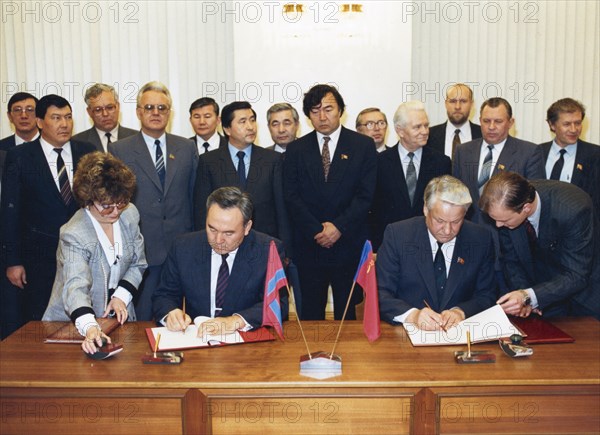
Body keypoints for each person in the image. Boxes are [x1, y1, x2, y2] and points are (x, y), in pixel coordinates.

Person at [0, 94, 96, 337]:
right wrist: (13, 260)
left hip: (83, 254)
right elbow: (10, 211)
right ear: (40, 122)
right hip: (37, 258)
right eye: (56, 118)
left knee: (82, 317)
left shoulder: (87, 152)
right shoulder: (20, 157)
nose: (64, 124)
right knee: (40, 323)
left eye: (68, 117)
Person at [283, 84, 377, 320]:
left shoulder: (362, 146)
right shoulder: (296, 149)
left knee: (348, 317)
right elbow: (291, 197)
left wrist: (338, 228)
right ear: (307, 116)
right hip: (309, 246)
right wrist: (317, 230)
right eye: (315, 111)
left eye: (328, 109)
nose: (322, 117)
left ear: (341, 110)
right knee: (311, 314)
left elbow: (365, 195)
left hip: (348, 243)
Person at [42, 152, 147, 354]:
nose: (116, 212)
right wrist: (90, 327)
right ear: (88, 200)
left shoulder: (130, 214)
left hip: (118, 320)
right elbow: (75, 286)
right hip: (73, 326)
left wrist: (121, 297)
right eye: (107, 206)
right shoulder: (74, 233)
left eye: (121, 202)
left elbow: (138, 263)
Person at [109, 82, 197, 321]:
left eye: (162, 107)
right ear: (138, 112)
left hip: (181, 247)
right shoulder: (120, 149)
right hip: (142, 249)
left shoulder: (187, 147)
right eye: (149, 107)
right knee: (145, 317)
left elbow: (193, 196)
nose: (156, 112)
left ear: (170, 112)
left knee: (181, 317)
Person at [153, 186, 288, 335]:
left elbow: (278, 304)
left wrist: (235, 321)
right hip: (197, 340)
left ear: (247, 227)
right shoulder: (183, 247)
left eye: (228, 233)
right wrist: (170, 313)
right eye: (212, 229)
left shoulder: (268, 251)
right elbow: (164, 295)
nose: (218, 240)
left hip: (246, 343)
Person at [377, 175, 497, 330]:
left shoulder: (480, 239)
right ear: (426, 209)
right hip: (405, 336)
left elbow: (487, 295)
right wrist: (413, 315)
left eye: (456, 222)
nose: (447, 230)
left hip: (458, 336)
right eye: (440, 221)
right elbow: (380, 293)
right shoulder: (398, 235)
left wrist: (461, 311)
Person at [480, 172, 599, 319]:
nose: (498, 225)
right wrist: (524, 298)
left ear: (526, 208)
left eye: (504, 220)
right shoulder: (505, 212)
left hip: (583, 297)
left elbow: (576, 274)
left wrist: (529, 295)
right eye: (495, 220)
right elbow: (512, 261)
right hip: (542, 297)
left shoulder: (573, 208)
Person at [193, 101, 291, 254]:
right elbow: (201, 210)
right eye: (242, 121)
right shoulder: (208, 161)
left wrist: (284, 249)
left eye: (252, 120)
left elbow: (281, 209)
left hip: (264, 244)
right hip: (224, 245)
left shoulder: (272, 159)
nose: (250, 127)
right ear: (227, 129)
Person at [371, 101, 451, 250]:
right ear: (400, 131)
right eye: (417, 127)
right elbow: (373, 210)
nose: (425, 131)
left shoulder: (442, 162)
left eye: (426, 125)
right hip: (389, 244)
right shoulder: (378, 163)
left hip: (428, 245)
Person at [452, 97, 545, 223]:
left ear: (510, 122)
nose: (491, 127)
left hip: (508, 235)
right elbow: (456, 195)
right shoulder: (463, 151)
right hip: (470, 231)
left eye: (498, 121)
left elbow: (532, 199)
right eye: (486, 121)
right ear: (479, 121)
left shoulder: (529, 152)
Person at [540, 98, 600, 216]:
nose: (574, 130)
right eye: (567, 124)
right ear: (552, 125)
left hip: (580, 228)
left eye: (577, 123)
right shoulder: (537, 152)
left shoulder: (595, 155)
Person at [72, 83, 137, 152]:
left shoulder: (137, 138)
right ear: (89, 112)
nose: (105, 114)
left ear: (118, 106)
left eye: (110, 107)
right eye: (98, 110)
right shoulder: (76, 143)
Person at [426, 83, 481, 158]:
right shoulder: (428, 136)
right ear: (446, 104)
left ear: (471, 104)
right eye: (452, 101)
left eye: (463, 101)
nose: (457, 107)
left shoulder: (482, 135)